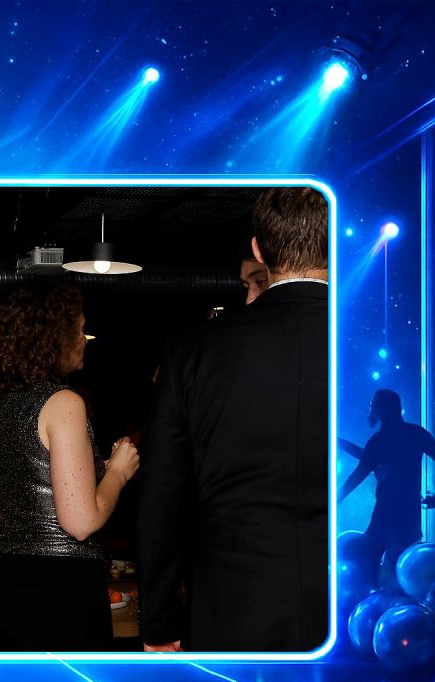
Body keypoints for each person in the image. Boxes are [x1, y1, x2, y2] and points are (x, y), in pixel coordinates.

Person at [137, 186, 329, 653]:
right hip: (362, 605)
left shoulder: (193, 351)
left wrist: (159, 620)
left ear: (258, 250)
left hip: (234, 607)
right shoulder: (387, 345)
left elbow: (162, 496)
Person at [0, 283, 140, 651]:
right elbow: (80, 522)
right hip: (61, 591)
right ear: (55, 337)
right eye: (79, 329)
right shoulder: (64, 402)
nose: (84, 339)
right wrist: (117, 472)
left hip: (3, 581)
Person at [338, 389, 435, 568]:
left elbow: (360, 471)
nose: (371, 410)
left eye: (373, 405)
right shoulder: (415, 434)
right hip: (408, 513)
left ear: (380, 409)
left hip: (385, 513)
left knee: (372, 564)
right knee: (405, 567)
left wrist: (336, 499)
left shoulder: (378, 441)